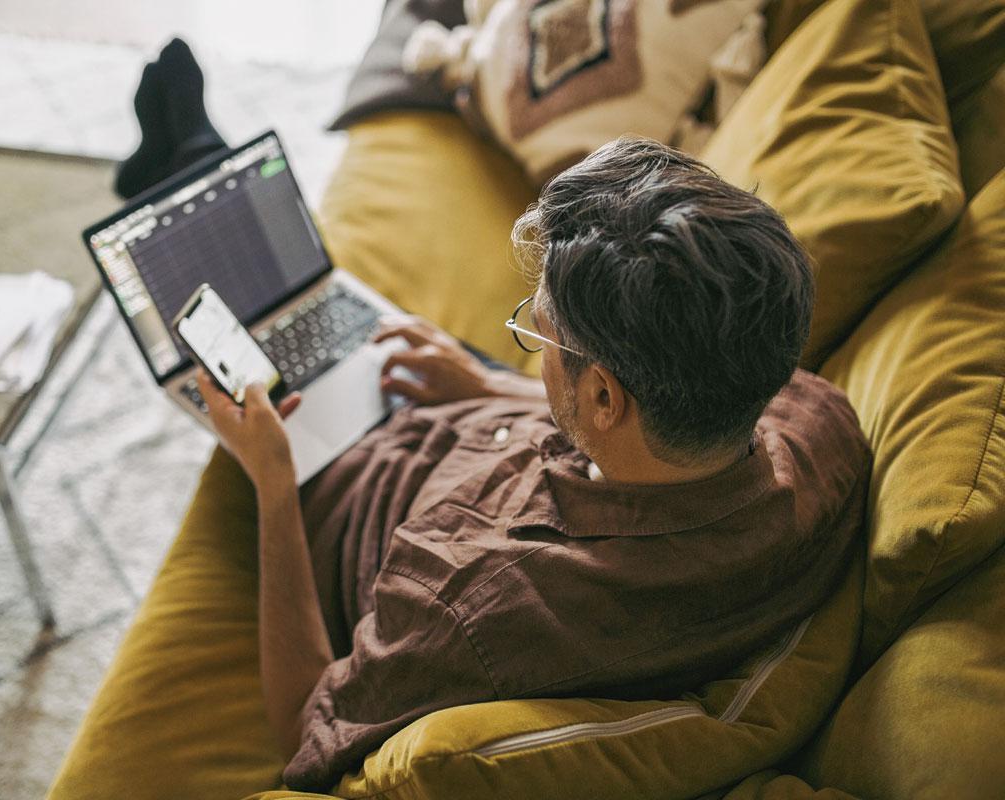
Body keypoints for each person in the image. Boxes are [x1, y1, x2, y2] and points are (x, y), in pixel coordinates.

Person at [123, 40, 870, 793]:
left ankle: (179, 161)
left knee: (219, 310)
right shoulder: (816, 429)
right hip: (473, 421)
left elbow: (303, 728)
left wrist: (275, 481)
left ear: (606, 399)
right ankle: (186, 154)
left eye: (538, 328)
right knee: (306, 290)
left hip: (339, 476)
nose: (534, 344)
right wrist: (484, 384)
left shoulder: (468, 607)